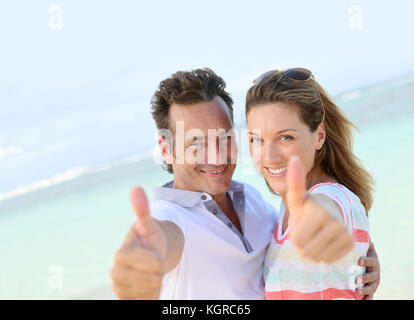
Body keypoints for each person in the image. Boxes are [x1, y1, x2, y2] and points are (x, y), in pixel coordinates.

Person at [109, 68, 380, 300]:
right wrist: (144, 258)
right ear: (166, 149)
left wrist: (356, 256)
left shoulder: (249, 198)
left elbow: (314, 219)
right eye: (196, 143)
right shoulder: (167, 218)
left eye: (225, 138)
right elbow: (162, 240)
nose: (216, 157)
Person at [246, 68, 375, 299]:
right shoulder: (283, 211)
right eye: (257, 139)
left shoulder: (334, 198)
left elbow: (327, 210)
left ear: (319, 136)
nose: (269, 156)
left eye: (285, 137)